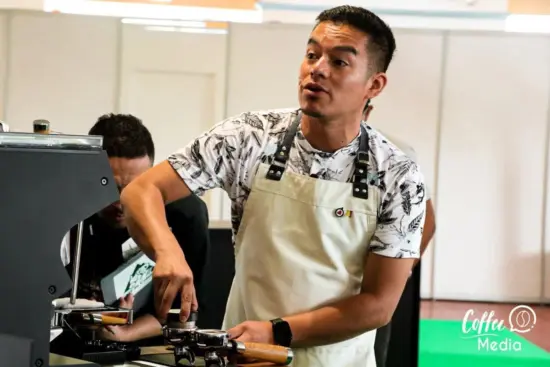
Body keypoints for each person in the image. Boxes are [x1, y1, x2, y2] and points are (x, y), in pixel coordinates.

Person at [120, 5, 427, 366]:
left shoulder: (398, 175)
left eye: (340, 62)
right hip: (244, 356)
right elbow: (141, 191)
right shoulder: (249, 137)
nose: (318, 69)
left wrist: (277, 331)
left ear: (374, 85)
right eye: (312, 54)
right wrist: (167, 250)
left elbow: (378, 304)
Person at [61, 113, 211, 342]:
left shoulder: (185, 214)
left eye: (135, 190)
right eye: (110, 187)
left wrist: (126, 333)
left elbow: (183, 314)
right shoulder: (63, 211)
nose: (121, 202)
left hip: (151, 345)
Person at [363, 100, 437, 367]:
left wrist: (399, 270)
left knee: (371, 354)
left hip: (367, 291)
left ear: (367, 109)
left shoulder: (396, 153)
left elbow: (426, 220)